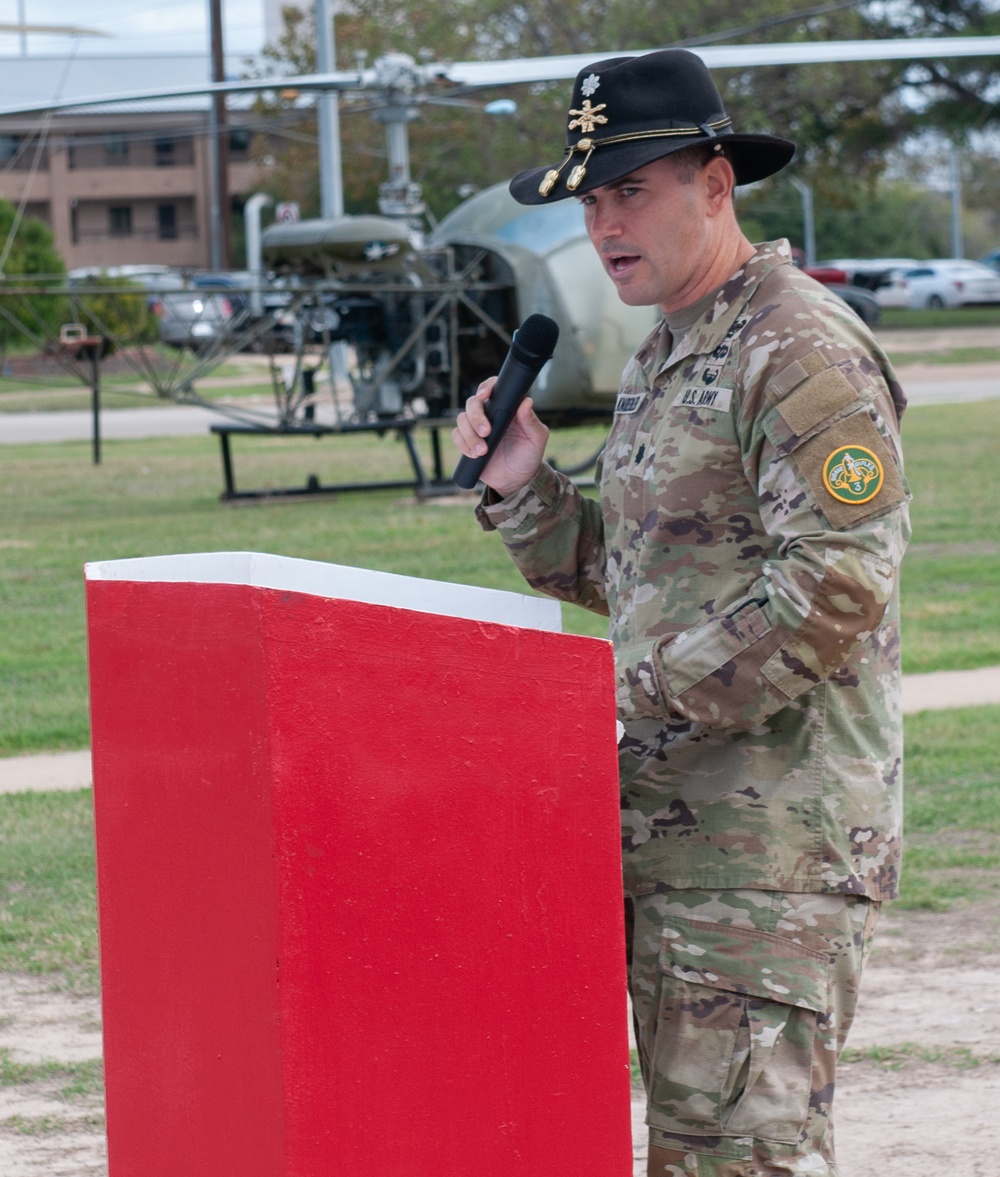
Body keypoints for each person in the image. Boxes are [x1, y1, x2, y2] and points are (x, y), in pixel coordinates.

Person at [452, 48, 911, 1177]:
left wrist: (635, 692)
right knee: (693, 1153)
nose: (604, 223)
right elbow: (648, 576)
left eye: (631, 189)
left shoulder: (792, 346)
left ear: (715, 184)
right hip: (672, 835)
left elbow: (837, 584)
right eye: (594, 197)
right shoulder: (672, 347)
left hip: (766, 851)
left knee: (737, 1160)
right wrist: (527, 487)